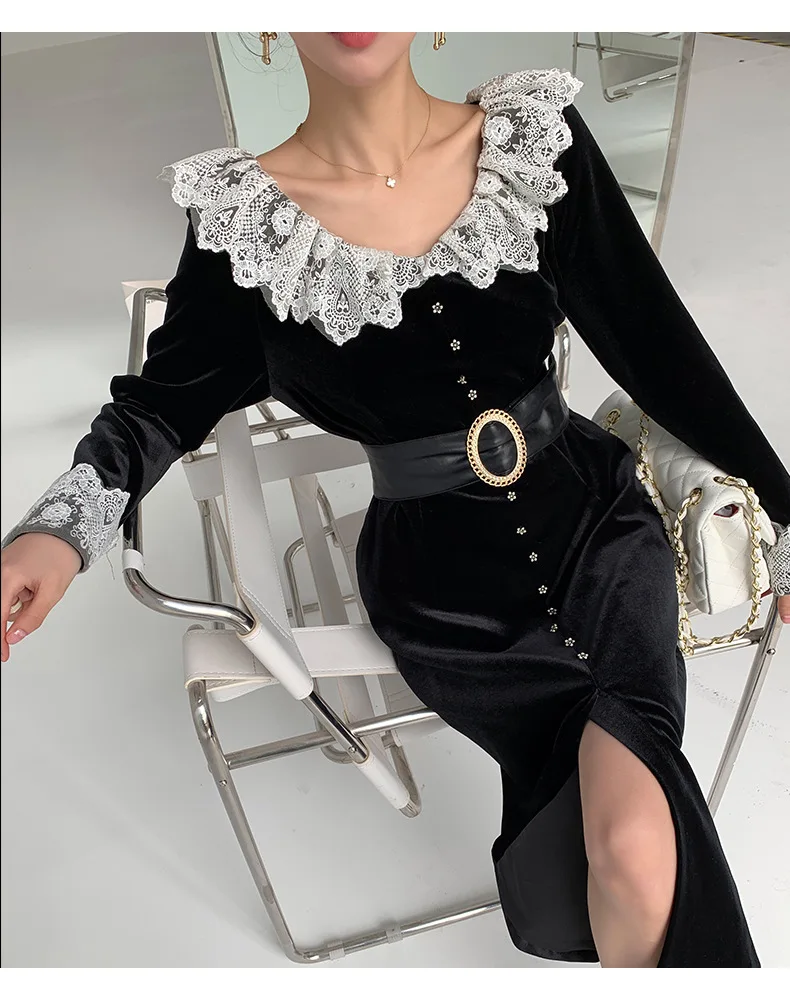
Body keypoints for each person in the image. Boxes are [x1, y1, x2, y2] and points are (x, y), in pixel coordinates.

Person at [1, 32, 789, 968]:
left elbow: (658, 343)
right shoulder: (246, 228)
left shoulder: (536, 142)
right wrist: (60, 531)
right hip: (447, 599)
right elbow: (159, 405)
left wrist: (785, 510)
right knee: (623, 838)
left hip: (601, 533)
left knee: (629, 843)